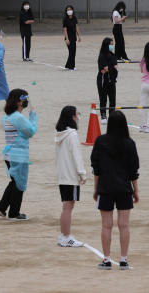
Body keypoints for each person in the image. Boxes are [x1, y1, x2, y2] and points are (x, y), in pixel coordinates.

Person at [91, 111, 139, 270]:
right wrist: (135, 190)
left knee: (106, 225)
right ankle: (124, 259)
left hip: (105, 187)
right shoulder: (129, 143)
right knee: (124, 225)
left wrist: (95, 188)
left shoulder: (100, 141)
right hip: (125, 188)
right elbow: (134, 170)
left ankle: (106, 260)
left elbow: (96, 168)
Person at [0, 89, 38, 221]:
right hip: (18, 155)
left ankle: (1, 207)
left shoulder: (9, 116)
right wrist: (34, 119)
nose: (26, 102)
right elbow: (30, 132)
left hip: (9, 154)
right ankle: (14, 213)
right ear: (19, 101)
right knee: (19, 184)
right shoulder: (19, 117)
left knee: (14, 181)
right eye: (25, 99)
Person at [55, 106, 86, 247]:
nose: (78, 115)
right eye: (77, 113)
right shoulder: (72, 135)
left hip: (62, 175)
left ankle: (63, 235)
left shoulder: (61, 133)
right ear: (72, 117)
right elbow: (76, 156)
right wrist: (82, 173)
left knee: (66, 207)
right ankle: (66, 236)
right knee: (68, 207)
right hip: (70, 175)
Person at [96, 37, 119, 124]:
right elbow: (105, 68)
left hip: (112, 80)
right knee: (103, 99)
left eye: (112, 44)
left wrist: (111, 69)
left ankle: (112, 116)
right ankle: (103, 116)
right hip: (103, 81)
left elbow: (116, 68)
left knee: (112, 99)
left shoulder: (113, 56)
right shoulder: (101, 56)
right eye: (110, 44)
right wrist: (111, 68)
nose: (112, 46)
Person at [63, 5, 81, 70]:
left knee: (74, 52)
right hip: (69, 37)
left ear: (72, 10)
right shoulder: (65, 19)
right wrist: (67, 39)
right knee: (71, 52)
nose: (69, 11)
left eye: (70, 9)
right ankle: (70, 66)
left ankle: (69, 65)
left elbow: (76, 26)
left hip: (74, 37)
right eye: (68, 10)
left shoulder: (74, 18)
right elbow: (65, 29)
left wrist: (79, 35)